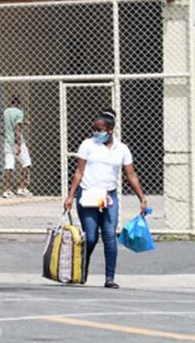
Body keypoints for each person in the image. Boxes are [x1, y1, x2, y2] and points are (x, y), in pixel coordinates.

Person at [63, 109, 148, 289]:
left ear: (110, 130)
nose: (96, 133)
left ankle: (110, 277)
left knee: (109, 235)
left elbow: (131, 175)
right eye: (94, 129)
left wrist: (142, 197)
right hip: (88, 195)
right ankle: (80, 270)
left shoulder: (122, 149)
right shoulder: (87, 145)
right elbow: (79, 172)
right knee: (91, 237)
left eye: (100, 130)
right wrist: (70, 196)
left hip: (108, 196)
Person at [2, 95, 33, 198]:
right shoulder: (19, 112)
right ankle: (22, 188)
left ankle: (7, 190)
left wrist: (23, 123)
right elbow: (16, 128)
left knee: (9, 165)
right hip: (17, 141)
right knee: (26, 163)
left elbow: (12, 125)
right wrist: (18, 144)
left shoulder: (6, 112)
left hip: (8, 141)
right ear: (18, 103)